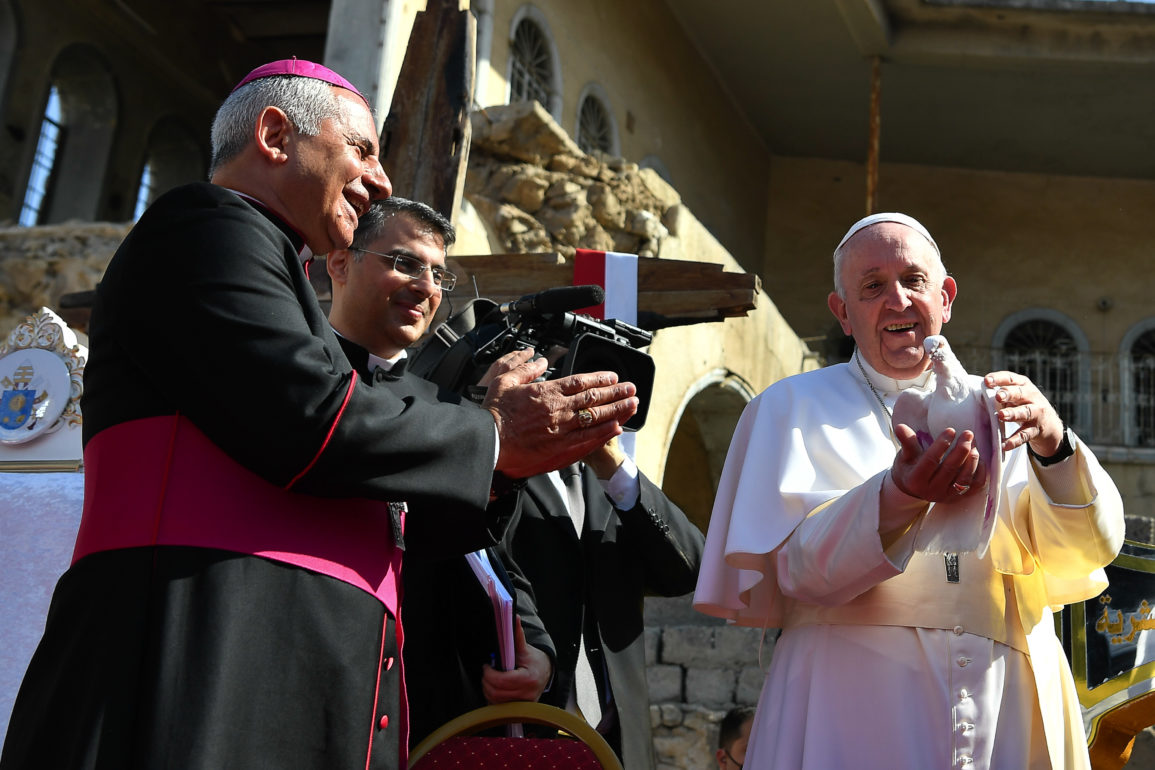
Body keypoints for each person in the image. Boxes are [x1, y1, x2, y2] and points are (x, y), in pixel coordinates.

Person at [0, 59, 637, 770]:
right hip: (203, 652)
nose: (382, 179)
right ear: (275, 135)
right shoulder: (206, 227)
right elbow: (312, 418)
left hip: (292, 668)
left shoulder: (280, 272)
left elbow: (392, 502)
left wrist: (502, 457)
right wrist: (490, 435)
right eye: (361, 149)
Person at [694, 212, 1124, 770]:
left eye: (913, 281)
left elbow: (1089, 551)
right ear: (843, 313)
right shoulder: (788, 408)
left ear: (945, 297)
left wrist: (1055, 446)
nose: (896, 299)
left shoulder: (1009, 407)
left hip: (1009, 703)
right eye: (872, 286)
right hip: (848, 700)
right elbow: (798, 571)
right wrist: (897, 495)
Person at [325, 196, 555, 748]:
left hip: (422, 715)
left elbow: (491, 565)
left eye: (438, 274)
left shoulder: (451, 414)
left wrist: (538, 657)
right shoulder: (298, 375)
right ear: (339, 262)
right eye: (404, 262)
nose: (427, 287)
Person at [496, 425, 706, 768]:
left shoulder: (613, 483)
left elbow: (688, 571)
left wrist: (614, 468)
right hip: (529, 733)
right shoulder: (500, 469)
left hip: (617, 744)